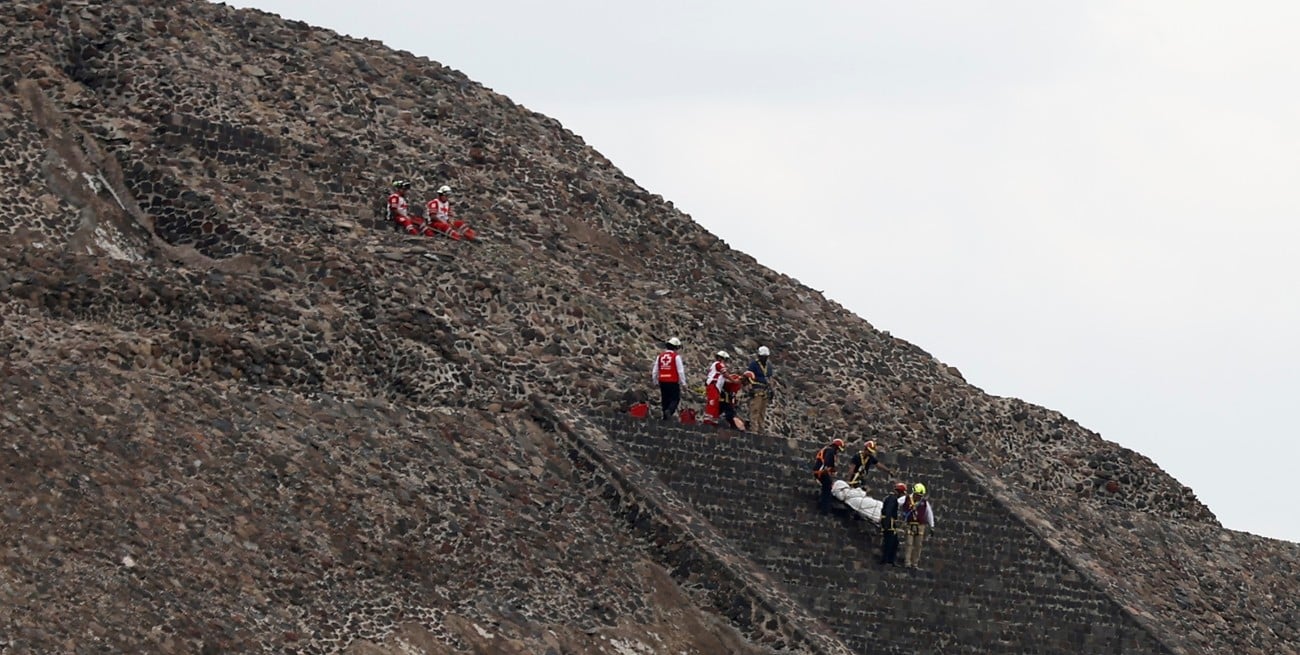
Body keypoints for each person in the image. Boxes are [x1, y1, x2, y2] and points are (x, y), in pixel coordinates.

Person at [901, 483, 936, 569]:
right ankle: (907, 563)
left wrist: (932, 526)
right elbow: (897, 502)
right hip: (910, 524)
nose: (919, 497)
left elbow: (929, 514)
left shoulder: (924, 503)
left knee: (918, 545)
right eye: (918, 495)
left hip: (920, 526)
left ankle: (915, 563)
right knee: (909, 544)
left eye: (921, 495)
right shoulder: (906, 499)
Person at [652, 337, 687, 421]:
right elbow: (680, 371)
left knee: (665, 399)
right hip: (672, 381)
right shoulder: (676, 357)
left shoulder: (660, 356)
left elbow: (655, 370)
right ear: (675, 347)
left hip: (662, 381)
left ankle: (665, 418)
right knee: (675, 398)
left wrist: (655, 381)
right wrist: (684, 383)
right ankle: (669, 411)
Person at [812, 438, 845, 514]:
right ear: (836, 447)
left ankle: (821, 505)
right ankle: (825, 509)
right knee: (827, 488)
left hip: (819, 471)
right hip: (821, 472)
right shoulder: (830, 451)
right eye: (838, 449)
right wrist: (832, 469)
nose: (838, 451)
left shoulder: (827, 449)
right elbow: (827, 463)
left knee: (825, 488)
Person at [745, 346, 774, 433]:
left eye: (765, 357)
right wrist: (750, 388)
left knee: (762, 411)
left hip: (765, 389)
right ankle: (754, 429)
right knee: (755, 409)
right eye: (762, 357)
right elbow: (748, 376)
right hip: (756, 388)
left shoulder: (768, 366)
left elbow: (770, 378)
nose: (764, 359)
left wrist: (772, 389)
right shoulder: (754, 364)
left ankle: (761, 430)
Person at [879, 482, 907, 566]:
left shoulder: (890, 498)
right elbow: (888, 512)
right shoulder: (893, 499)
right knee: (890, 542)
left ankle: (888, 560)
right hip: (889, 524)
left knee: (893, 542)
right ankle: (887, 560)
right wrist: (887, 525)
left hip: (888, 523)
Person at [702, 351, 729, 426]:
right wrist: (733, 380)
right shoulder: (718, 364)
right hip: (713, 385)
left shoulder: (715, 365)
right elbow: (725, 374)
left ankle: (713, 419)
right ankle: (708, 418)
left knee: (716, 402)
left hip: (715, 386)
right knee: (712, 401)